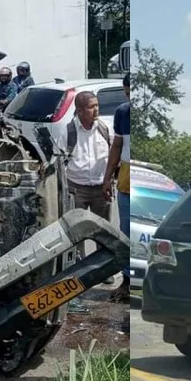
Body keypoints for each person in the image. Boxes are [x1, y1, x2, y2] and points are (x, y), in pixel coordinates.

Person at [63, 91, 114, 282]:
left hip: (101, 188)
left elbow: (114, 154)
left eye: (97, 105)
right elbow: (61, 160)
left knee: (104, 232)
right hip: (77, 187)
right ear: (80, 110)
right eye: (92, 106)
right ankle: (79, 273)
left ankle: (104, 271)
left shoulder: (104, 128)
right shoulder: (67, 131)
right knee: (77, 232)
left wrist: (110, 180)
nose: (96, 110)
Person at [104, 72, 131, 302]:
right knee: (126, 231)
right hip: (127, 178)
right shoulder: (123, 112)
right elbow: (117, 146)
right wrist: (107, 177)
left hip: (142, 176)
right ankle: (127, 281)